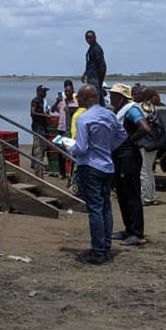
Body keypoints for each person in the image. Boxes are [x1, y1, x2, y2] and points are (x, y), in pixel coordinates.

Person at [67, 85, 127, 264]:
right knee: (106, 208)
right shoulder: (109, 115)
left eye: (80, 97)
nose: (77, 100)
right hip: (107, 166)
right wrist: (107, 148)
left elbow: (82, 148)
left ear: (86, 98)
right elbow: (122, 135)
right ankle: (106, 247)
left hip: (90, 167)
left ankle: (98, 251)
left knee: (95, 210)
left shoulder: (83, 119)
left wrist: (70, 148)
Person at [108, 83, 150, 247]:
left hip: (129, 156)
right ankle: (128, 229)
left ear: (121, 97)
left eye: (113, 95)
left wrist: (130, 141)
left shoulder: (132, 109)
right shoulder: (119, 111)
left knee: (131, 194)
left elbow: (144, 128)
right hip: (120, 156)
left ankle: (137, 233)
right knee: (122, 193)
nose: (110, 97)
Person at [138, 89, 159, 206]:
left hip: (145, 143)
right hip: (153, 143)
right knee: (149, 171)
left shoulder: (143, 107)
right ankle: (152, 196)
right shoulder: (154, 108)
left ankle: (145, 198)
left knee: (143, 171)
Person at [81, 30, 107, 106]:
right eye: (87, 38)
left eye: (90, 37)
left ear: (95, 38)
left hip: (96, 78)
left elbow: (102, 66)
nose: (89, 39)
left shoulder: (96, 49)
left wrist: (100, 81)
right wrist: (85, 74)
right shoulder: (90, 49)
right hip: (91, 77)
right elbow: (90, 64)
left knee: (95, 99)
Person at [30, 85, 50, 176]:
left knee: (38, 145)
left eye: (45, 91)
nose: (45, 93)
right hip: (37, 126)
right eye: (43, 91)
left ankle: (35, 164)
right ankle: (37, 165)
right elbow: (32, 112)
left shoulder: (43, 101)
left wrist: (47, 113)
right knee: (40, 145)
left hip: (42, 125)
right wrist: (44, 115)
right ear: (38, 92)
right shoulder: (35, 100)